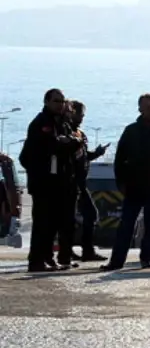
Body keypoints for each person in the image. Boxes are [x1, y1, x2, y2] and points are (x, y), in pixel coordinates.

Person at [101, 94, 150, 271]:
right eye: (149, 107)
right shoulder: (131, 131)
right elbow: (120, 159)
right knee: (126, 225)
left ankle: (146, 258)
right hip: (134, 187)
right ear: (141, 109)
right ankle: (116, 261)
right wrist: (121, 182)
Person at [19, 88, 81, 272]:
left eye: (62, 101)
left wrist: (70, 142)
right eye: (56, 101)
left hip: (61, 182)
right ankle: (37, 261)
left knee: (55, 224)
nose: (60, 105)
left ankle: (48, 258)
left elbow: (73, 142)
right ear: (46, 102)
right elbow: (52, 146)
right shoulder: (41, 123)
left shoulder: (62, 122)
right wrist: (67, 143)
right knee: (42, 223)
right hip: (44, 183)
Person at [68, 100, 109, 262]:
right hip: (70, 181)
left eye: (82, 115)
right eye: (79, 114)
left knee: (90, 215)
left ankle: (87, 250)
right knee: (69, 218)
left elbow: (84, 157)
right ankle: (70, 250)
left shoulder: (80, 134)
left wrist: (97, 153)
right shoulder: (67, 132)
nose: (81, 118)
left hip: (80, 182)